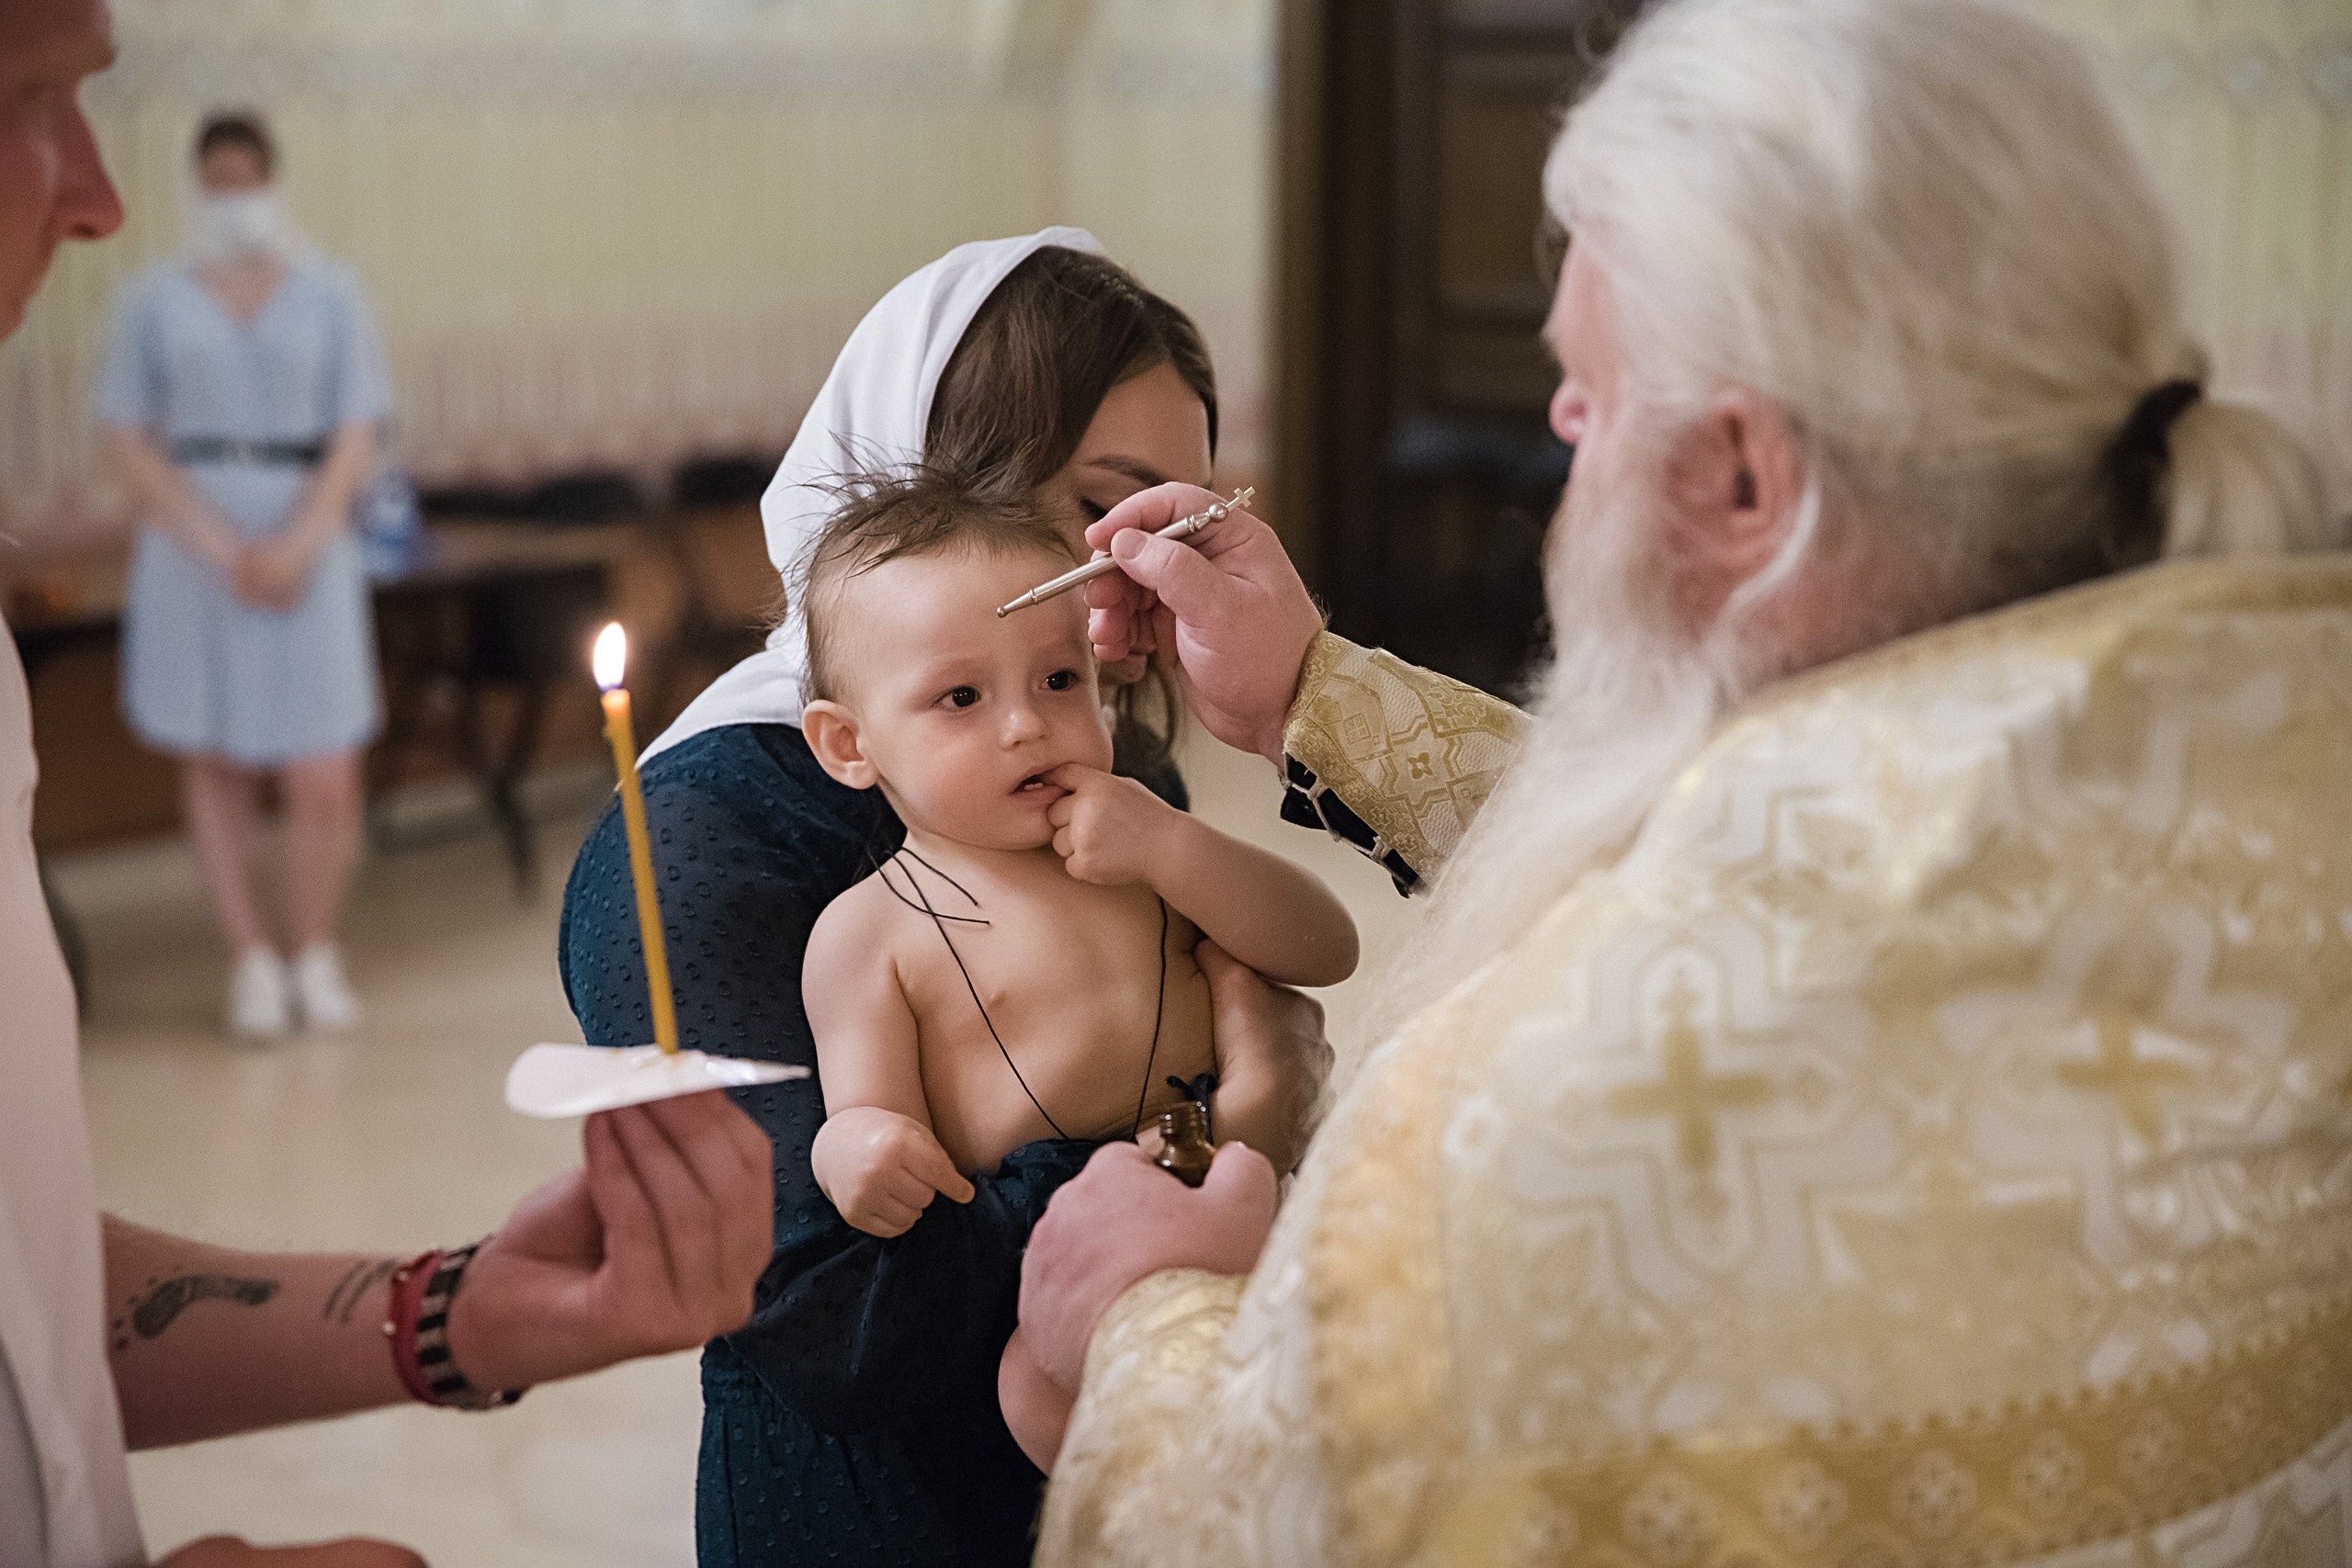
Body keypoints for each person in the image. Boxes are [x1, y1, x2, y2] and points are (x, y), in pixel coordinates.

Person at [1009, 0, 2352, 1562]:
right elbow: (1754, 843)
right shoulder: (2268, 752)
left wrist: (1149, 1315)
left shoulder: (1526, 1138)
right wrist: (1319, 691)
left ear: (1740, 480)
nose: (1561, 428)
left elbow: (1253, 1519)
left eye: (1583, 387)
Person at [1, 4, 780, 1563]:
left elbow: (21, 1293)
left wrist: (445, 1315)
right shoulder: (161, 313)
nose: (100, 193)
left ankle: (299, 952)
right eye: (31, 97)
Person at [560, 233, 1330, 1565]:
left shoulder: (1111, 774)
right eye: (1104, 518)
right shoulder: (699, 836)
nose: (1136, 596)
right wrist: (1215, 1139)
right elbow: (837, 1315)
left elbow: (1260, 984)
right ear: (943, 475)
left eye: (1174, 535)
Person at [789, 470, 1354, 1457]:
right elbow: (863, 1112)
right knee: (1072, 1421)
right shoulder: (867, 931)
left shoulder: (1139, 845)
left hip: (1253, 1204)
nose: (1024, 723)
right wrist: (854, 1151)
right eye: (959, 696)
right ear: (849, 744)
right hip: (1056, 1273)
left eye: (1058, 681)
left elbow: (1326, 948)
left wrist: (1176, 849)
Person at [95, 109, 386, 1037]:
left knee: (323, 769)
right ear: (194, 186)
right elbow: (126, 439)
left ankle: (313, 948)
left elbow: (357, 430)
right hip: (193, 553)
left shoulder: (333, 293)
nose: (233, 196)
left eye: (245, 177)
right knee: (215, 761)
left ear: (272, 181)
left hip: (313, 540)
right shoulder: (150, 300)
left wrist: (301, 540)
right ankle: (249, 959)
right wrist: (222, 547)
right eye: (215, 179)